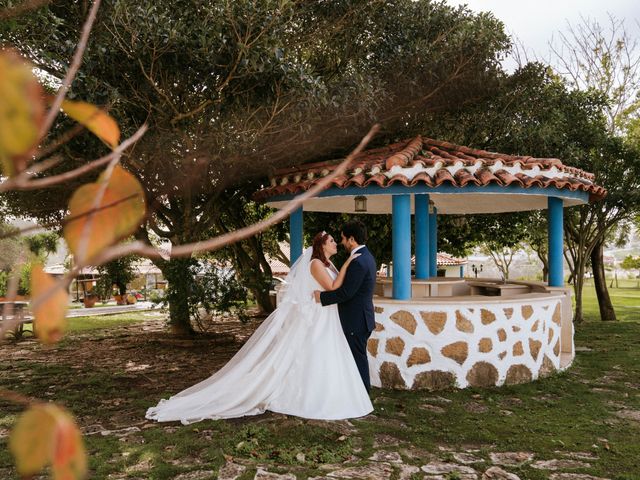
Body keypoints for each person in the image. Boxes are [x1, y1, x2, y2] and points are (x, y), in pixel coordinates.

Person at [146, 231, 373, 424]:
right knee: (313, 355)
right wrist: (348, 264)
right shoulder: (315, 263)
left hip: (326, 317)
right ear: (322, 245)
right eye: (332, 241)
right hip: (318, 317)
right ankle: (304, 396)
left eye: (336, 240)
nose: (336, 243)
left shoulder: (327, 263)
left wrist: (344, 265)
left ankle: (331, 394)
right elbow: (333, 286)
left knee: (326, 356)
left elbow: (332, 286)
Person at [313, 220, 377, 392]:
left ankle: (362, 393)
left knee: (357, 359)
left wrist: (322, 298)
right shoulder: (366, 257)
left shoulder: (359, 261)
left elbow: (347, 293)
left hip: (356, 320)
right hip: (361, 318)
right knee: (356, 357)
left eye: (342, 238)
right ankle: (357, 392)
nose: (341, 242)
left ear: (351, 239)